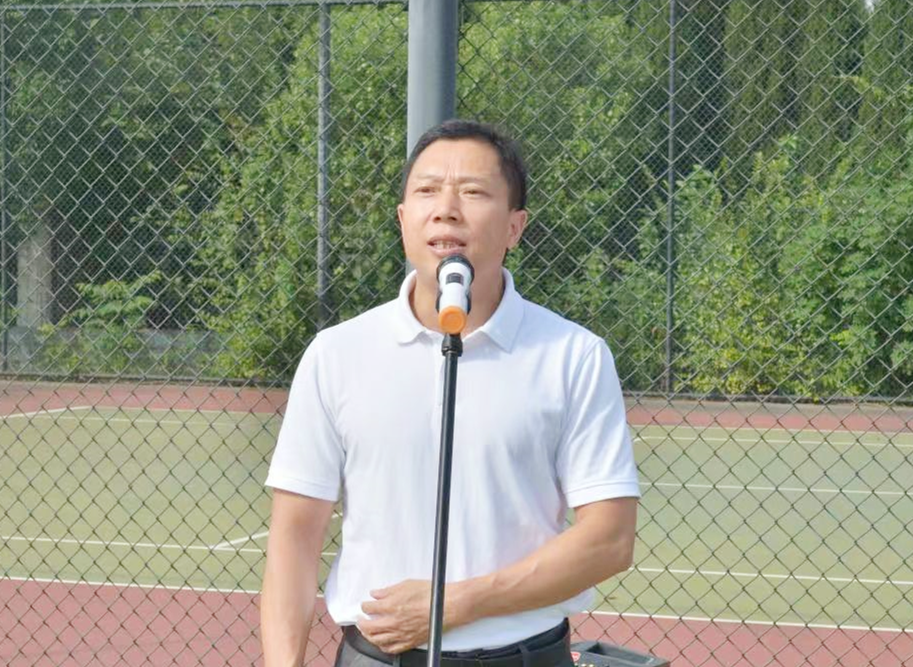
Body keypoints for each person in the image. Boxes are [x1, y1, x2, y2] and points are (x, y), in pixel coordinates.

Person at [260, 119, 640, 667]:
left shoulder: (573, 355)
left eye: (474, 192)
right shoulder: (337, 353)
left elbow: (609, 540)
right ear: (403, 220)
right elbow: (294, 540)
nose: (446, 209)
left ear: (515, 226)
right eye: (427, 190)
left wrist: (451, 604)